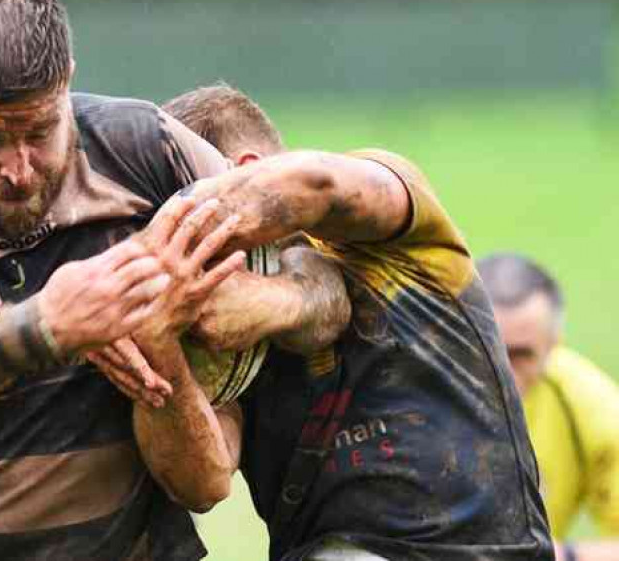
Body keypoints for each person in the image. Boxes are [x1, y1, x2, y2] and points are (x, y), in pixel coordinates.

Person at [0, 0, 345, 561]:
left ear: (67, 87)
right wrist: (44, 329)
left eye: (40, 132)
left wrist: (258, 304)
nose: (20, 169)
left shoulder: (148, 152)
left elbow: (320, 276)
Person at [129, 84, 553, 561]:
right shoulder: (201, 314)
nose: (175, 246)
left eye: (182, 213)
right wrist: (156, 341)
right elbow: (201, 482)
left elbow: (319, 183)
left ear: (246, 174)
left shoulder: (398, 232)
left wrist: (141, 253)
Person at [478, 253, 619, 561]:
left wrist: (560, 555)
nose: (505, 374)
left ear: (554, 344)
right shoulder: (404, 395)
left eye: (521, 355)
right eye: (489, 352)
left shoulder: (592, 407)